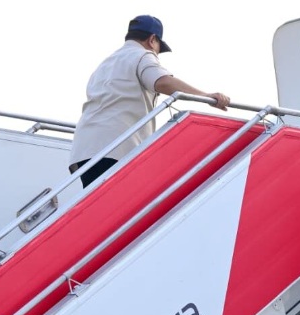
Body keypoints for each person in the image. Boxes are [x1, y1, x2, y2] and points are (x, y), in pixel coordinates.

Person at [68, 15, 230, 188]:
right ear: (152, 39)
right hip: (116, 147)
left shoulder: (105, 64)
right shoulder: (142, 55)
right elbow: (162, 81)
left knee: (98, 206)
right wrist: (206, 96)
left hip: (84, 148)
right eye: (158, 49)